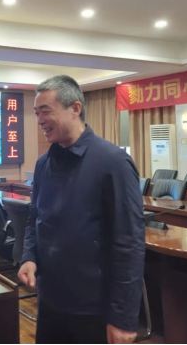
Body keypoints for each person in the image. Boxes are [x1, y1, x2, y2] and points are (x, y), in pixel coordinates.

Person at [18, 75, 145, 344]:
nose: (39, 120)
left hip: (93, 309)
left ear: (75, 109)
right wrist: (30, 256)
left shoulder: (113, 163)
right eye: (36, 113)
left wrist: (123, 318)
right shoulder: (44, 163)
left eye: (45, 111)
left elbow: (129, 243)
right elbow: (35, 219)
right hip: (50, 301)